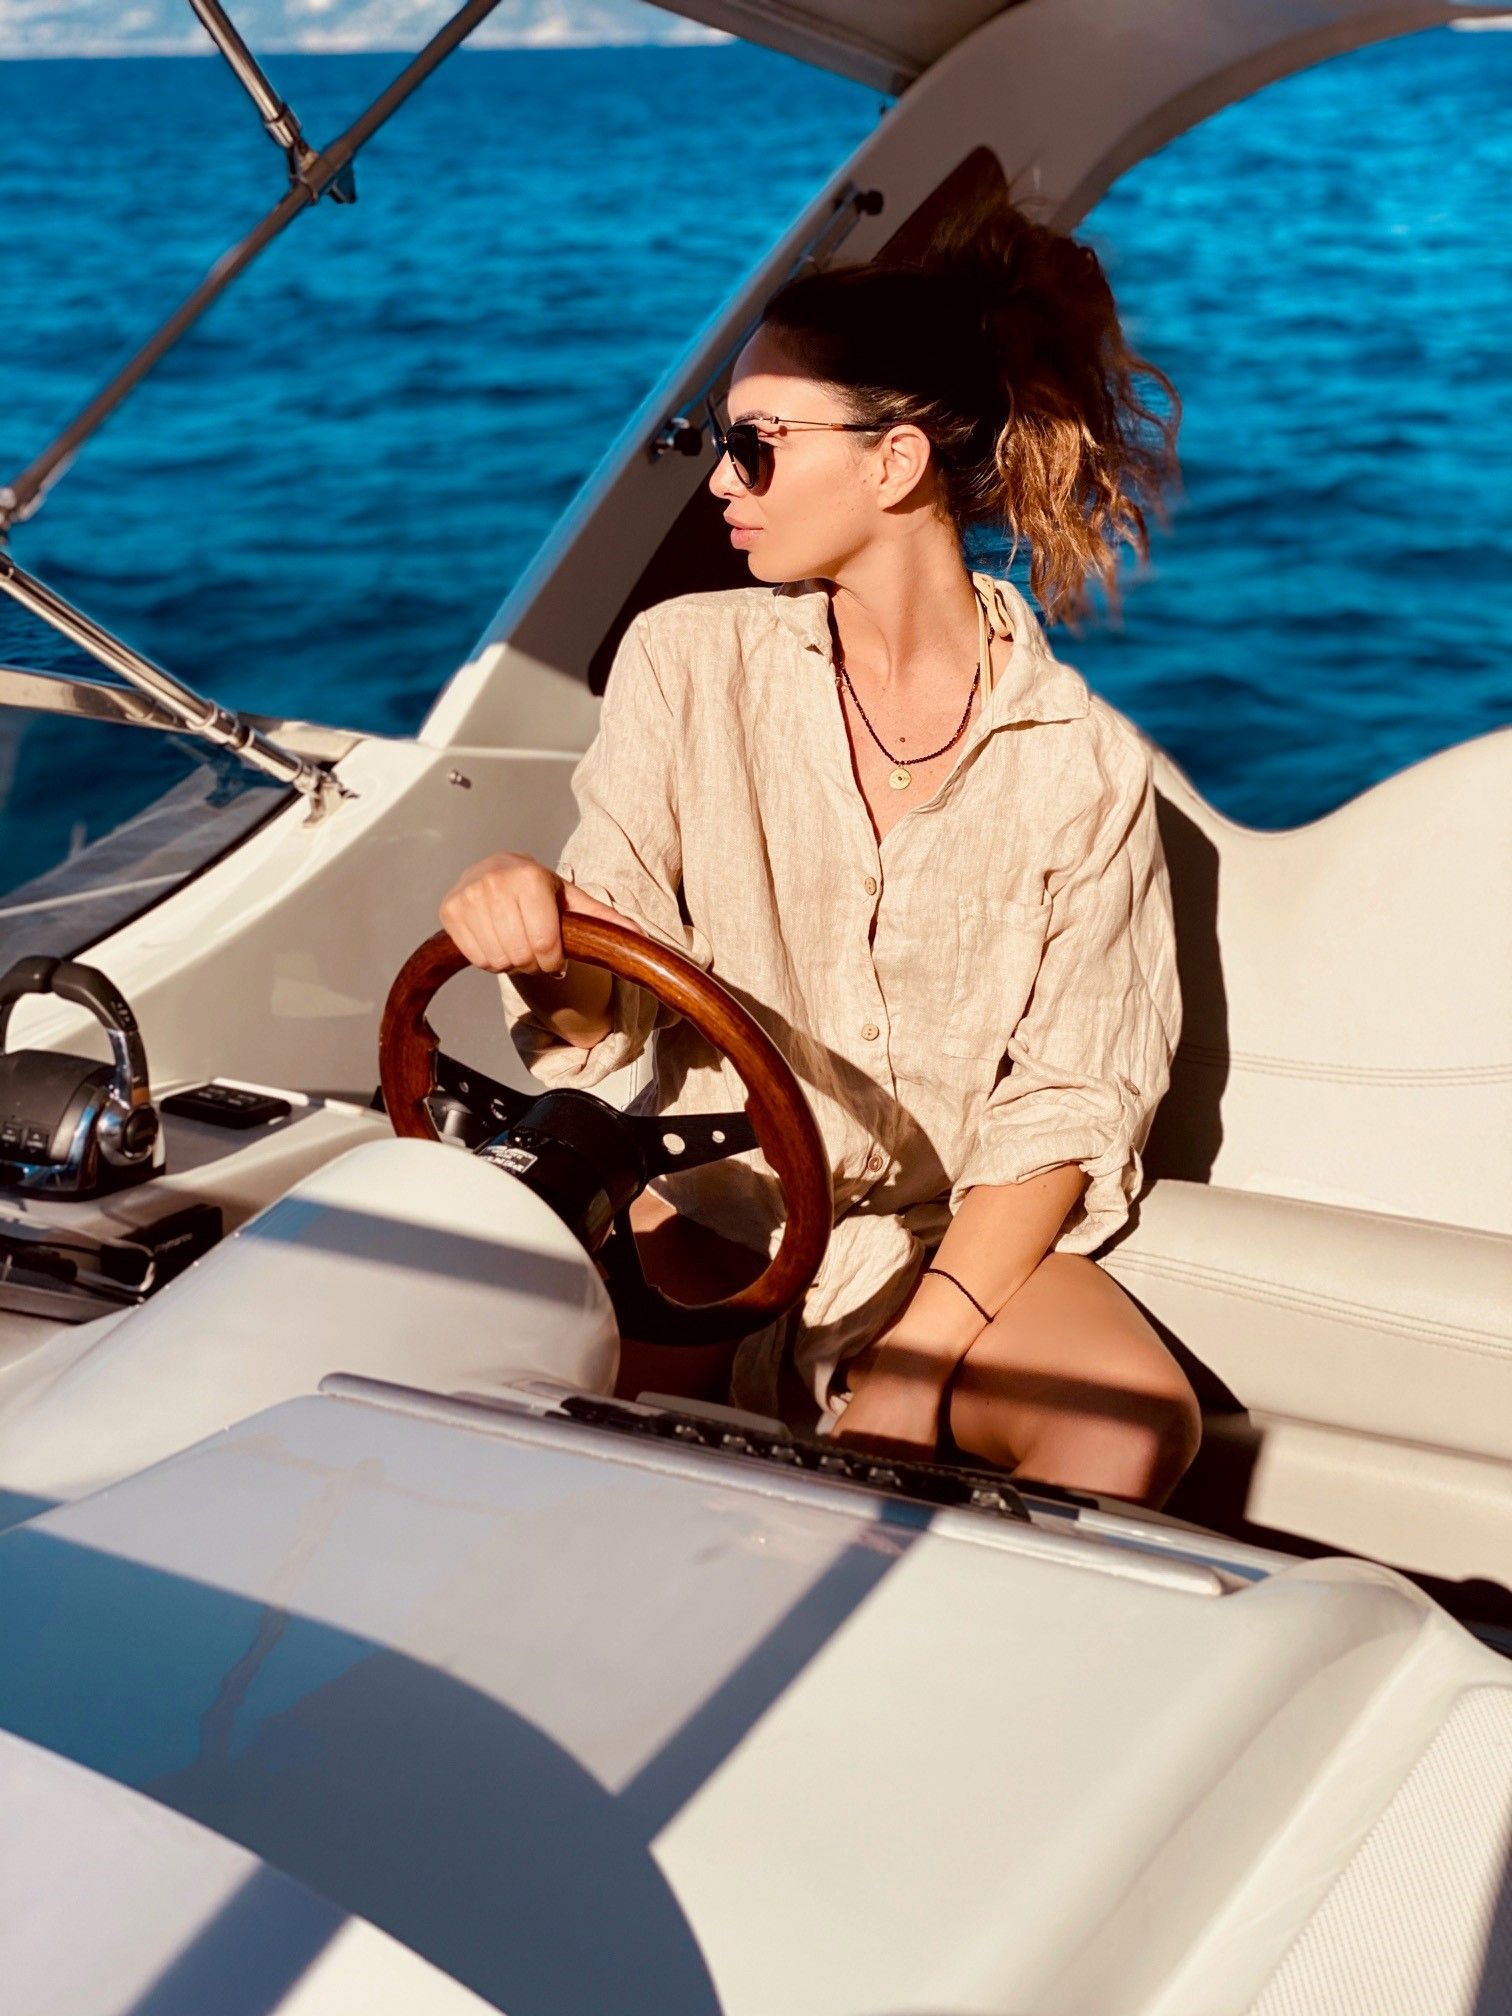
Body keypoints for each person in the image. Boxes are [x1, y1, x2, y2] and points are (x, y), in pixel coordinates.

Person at [440, 185, 1201, 1512]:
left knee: (1127, 1429)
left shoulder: (1081, 764)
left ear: (895, 463)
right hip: (704, 1209)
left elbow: (1072, 1100)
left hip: (945, 1238)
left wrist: (913, 1366)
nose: (722, 483)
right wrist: (542, 931)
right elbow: (610, 994)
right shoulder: (684, 661)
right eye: (718, 443)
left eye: (755, 446)